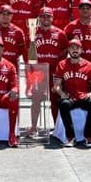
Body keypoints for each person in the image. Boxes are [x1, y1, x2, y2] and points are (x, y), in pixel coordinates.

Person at [52, 39, 91, 147]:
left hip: (83, 96)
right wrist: (61, 93)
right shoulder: (62, 64)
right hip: (70, 96)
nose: (75, 50)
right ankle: (70, 136)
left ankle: (89, 135)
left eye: (77, 48)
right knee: (64, 104)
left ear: (81, 50)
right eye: (72, 48)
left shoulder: (89, 65)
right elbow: (57, 85)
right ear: (68, 50)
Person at [30, 7, 69, 135]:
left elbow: (64, 52)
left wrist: (59, 68)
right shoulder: (33, 32)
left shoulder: (60, 33)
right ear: (39, 18)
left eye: (48, 16)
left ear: (52, 18)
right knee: (36, 99)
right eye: (43, 16)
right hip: (38, 71)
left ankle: (57, 127)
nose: (45, 19)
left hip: (54, 71)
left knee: (55, 99)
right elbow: (28, 52)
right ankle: (34, 126)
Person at [0, 5, 29, 70]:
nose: (5, 16)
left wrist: (29, 67)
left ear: (12, 16)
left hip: (12, 67)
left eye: (8, 14)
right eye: (3, 14)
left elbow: (23, 51)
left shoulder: (18, 32)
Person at [65, 0, 91, 64]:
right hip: (76, 62)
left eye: (87, 8)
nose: (85, 10)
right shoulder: (71, 26)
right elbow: (65, 44)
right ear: (79, 10)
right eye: (83, 8)